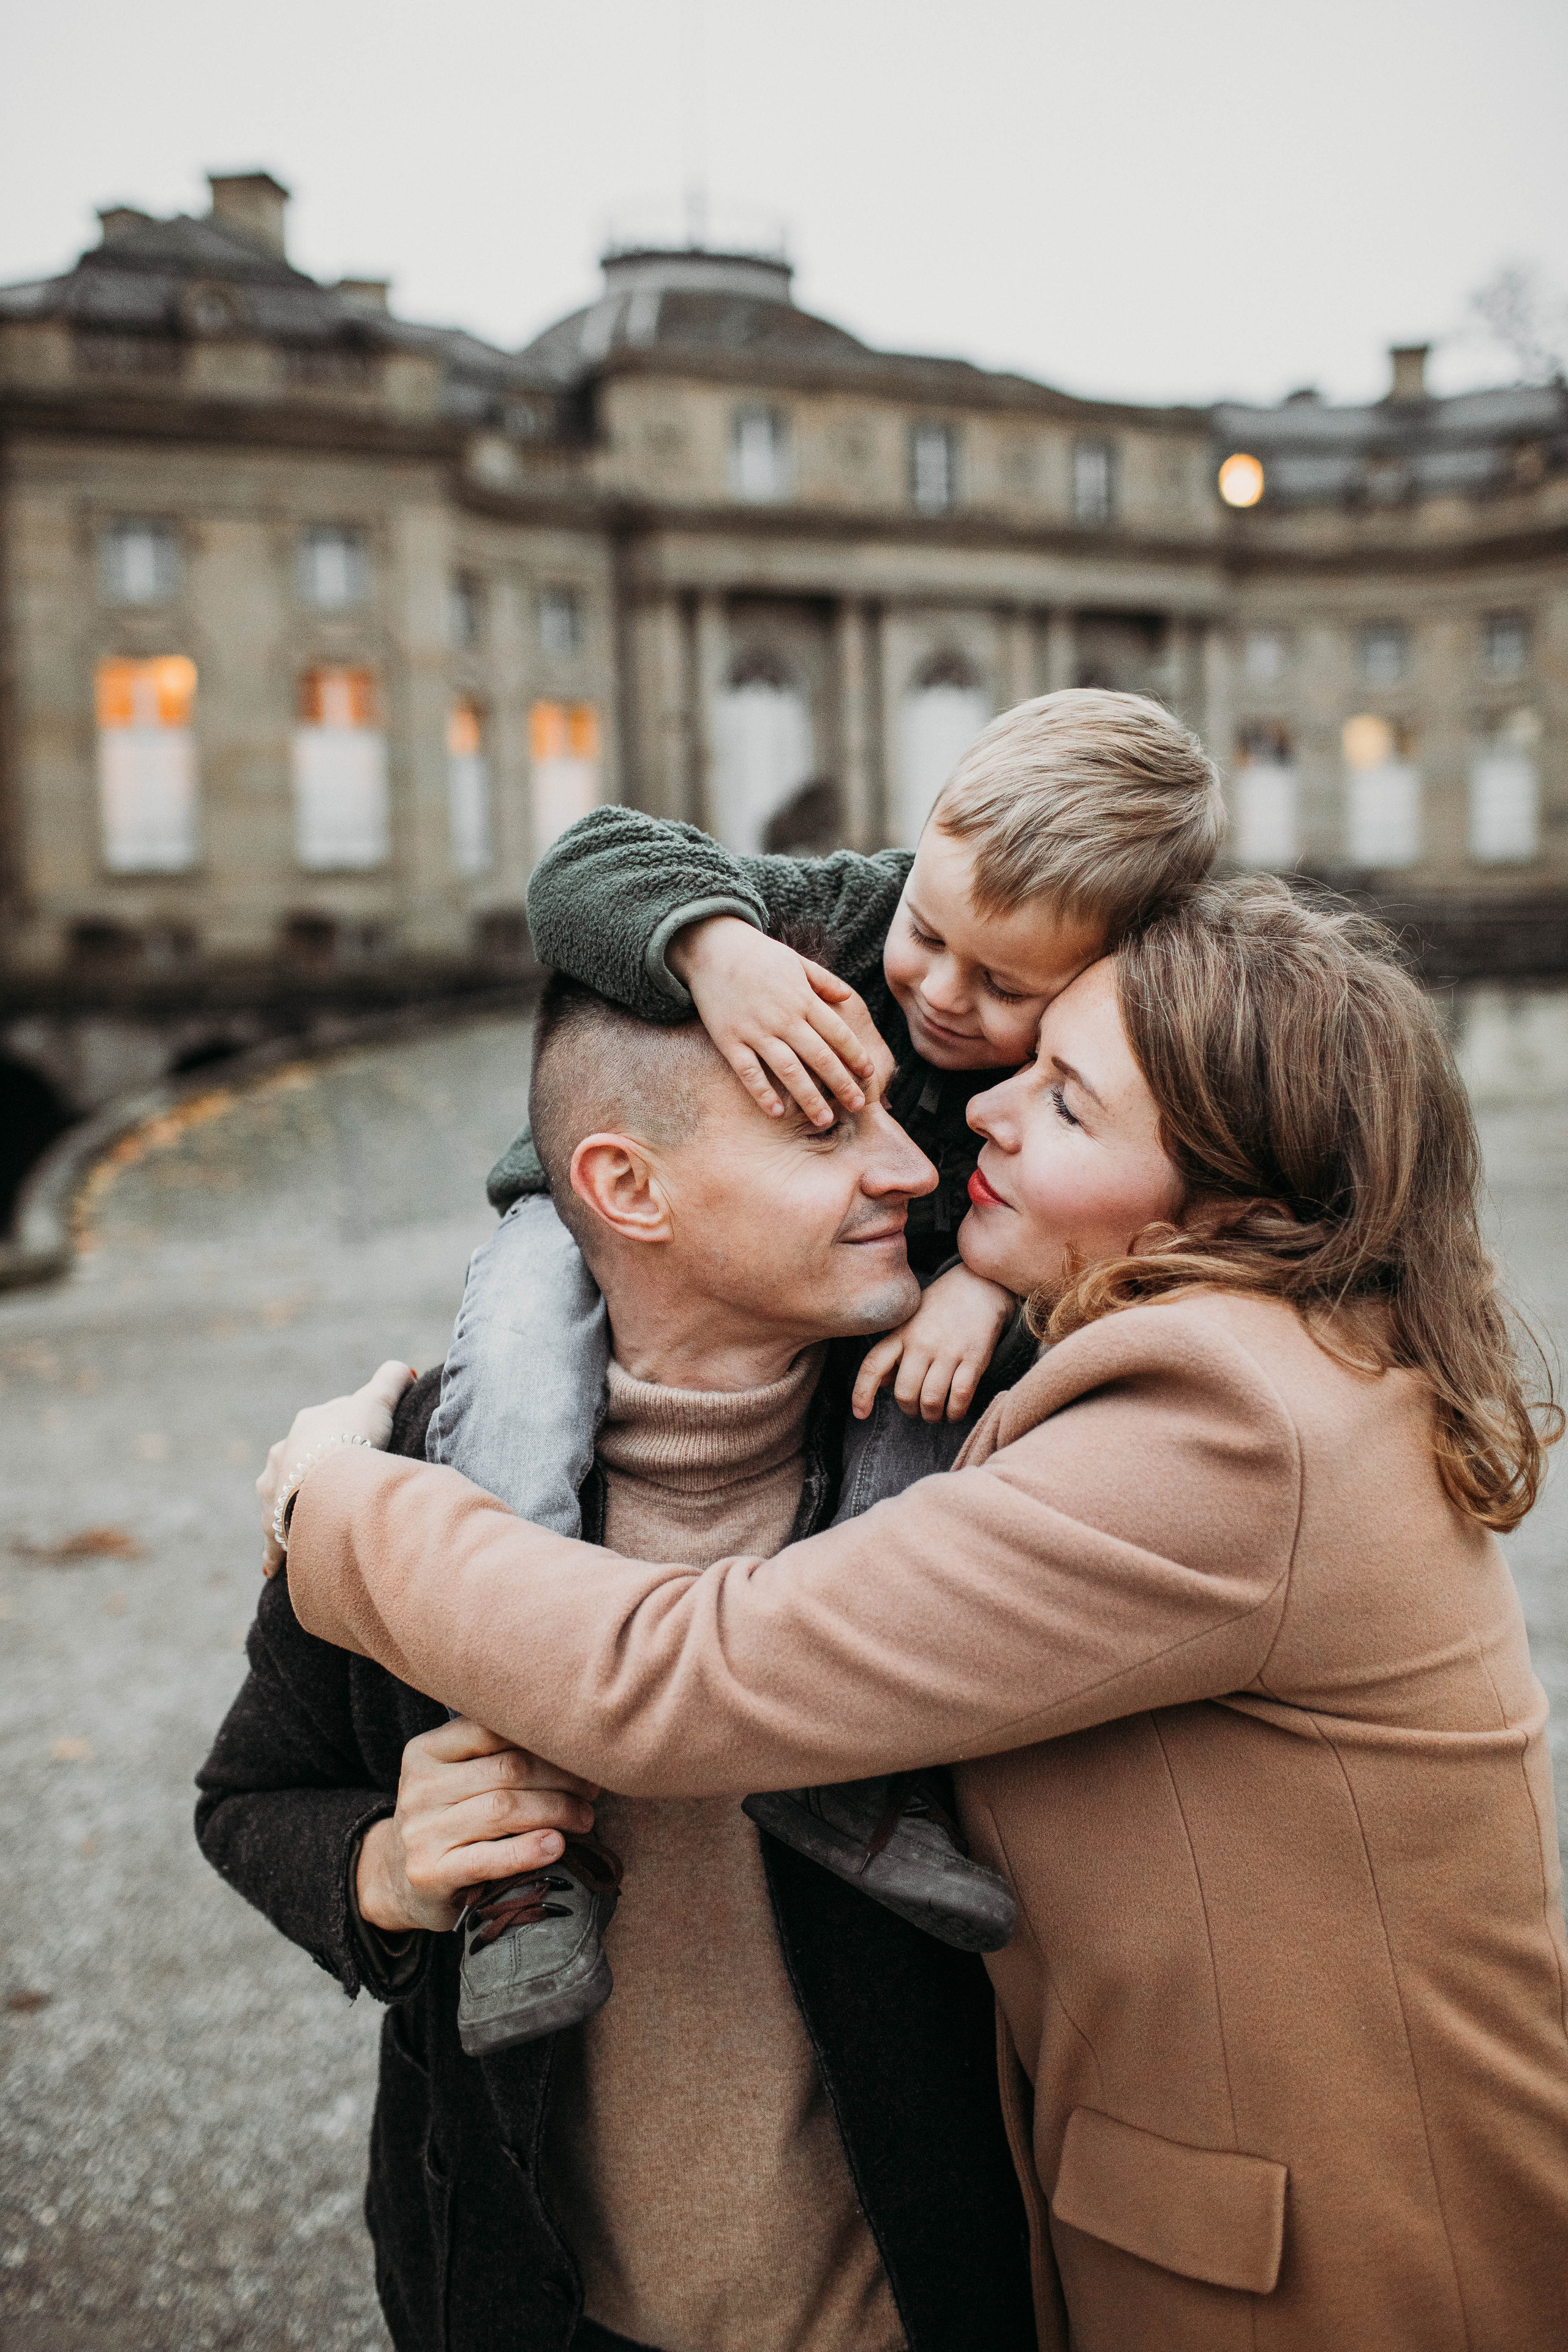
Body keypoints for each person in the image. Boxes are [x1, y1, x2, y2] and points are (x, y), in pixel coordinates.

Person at [278, 877, 1568, 2352]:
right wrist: (378, 1862)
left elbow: (690, 1679)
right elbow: (267, 1787)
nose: (981, 1119)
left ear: (1226, 1201)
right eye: (1025, 1065)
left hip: (1342, 2279)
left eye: (1068, 1107)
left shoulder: (1223, 1421)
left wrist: (331, 1499)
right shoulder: (1234, 1363)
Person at [196, 979, 1038, 2352]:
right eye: (827, 1130)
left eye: (893, 1108)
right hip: (535, 2307)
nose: (909, 1165)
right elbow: (248, 1799)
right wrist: (390, 1871)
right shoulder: (413, 1471)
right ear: (623, 1187)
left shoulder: (989, 1444)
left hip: (923, 2307)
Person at [426, 687, 1223, 2040]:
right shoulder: (847, 911)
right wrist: (714, 945)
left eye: (1007, 989)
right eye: (930, 933)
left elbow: (1083, 1207)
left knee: (926, 1418)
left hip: (882, 1281)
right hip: (575, 1228)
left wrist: (975, 1281)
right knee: (513, 1390)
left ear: (1096, 979)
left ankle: (858, 1772)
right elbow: (583, 867)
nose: (941, 994)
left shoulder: (1087, 1049)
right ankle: (514, 1827)